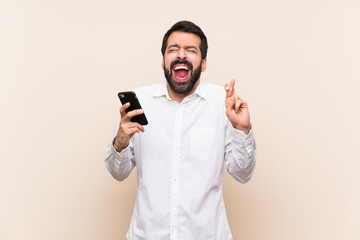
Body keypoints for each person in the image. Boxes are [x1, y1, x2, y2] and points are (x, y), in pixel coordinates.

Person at [105, 20, 256, 240]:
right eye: (173, 49)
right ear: (163, 61)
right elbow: (118, 173)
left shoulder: (222, 103)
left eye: (190, 50)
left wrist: (242, 129)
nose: (181, 55)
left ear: (203, 63)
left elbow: (242, 173)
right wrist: (119, 143)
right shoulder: (140, 102)